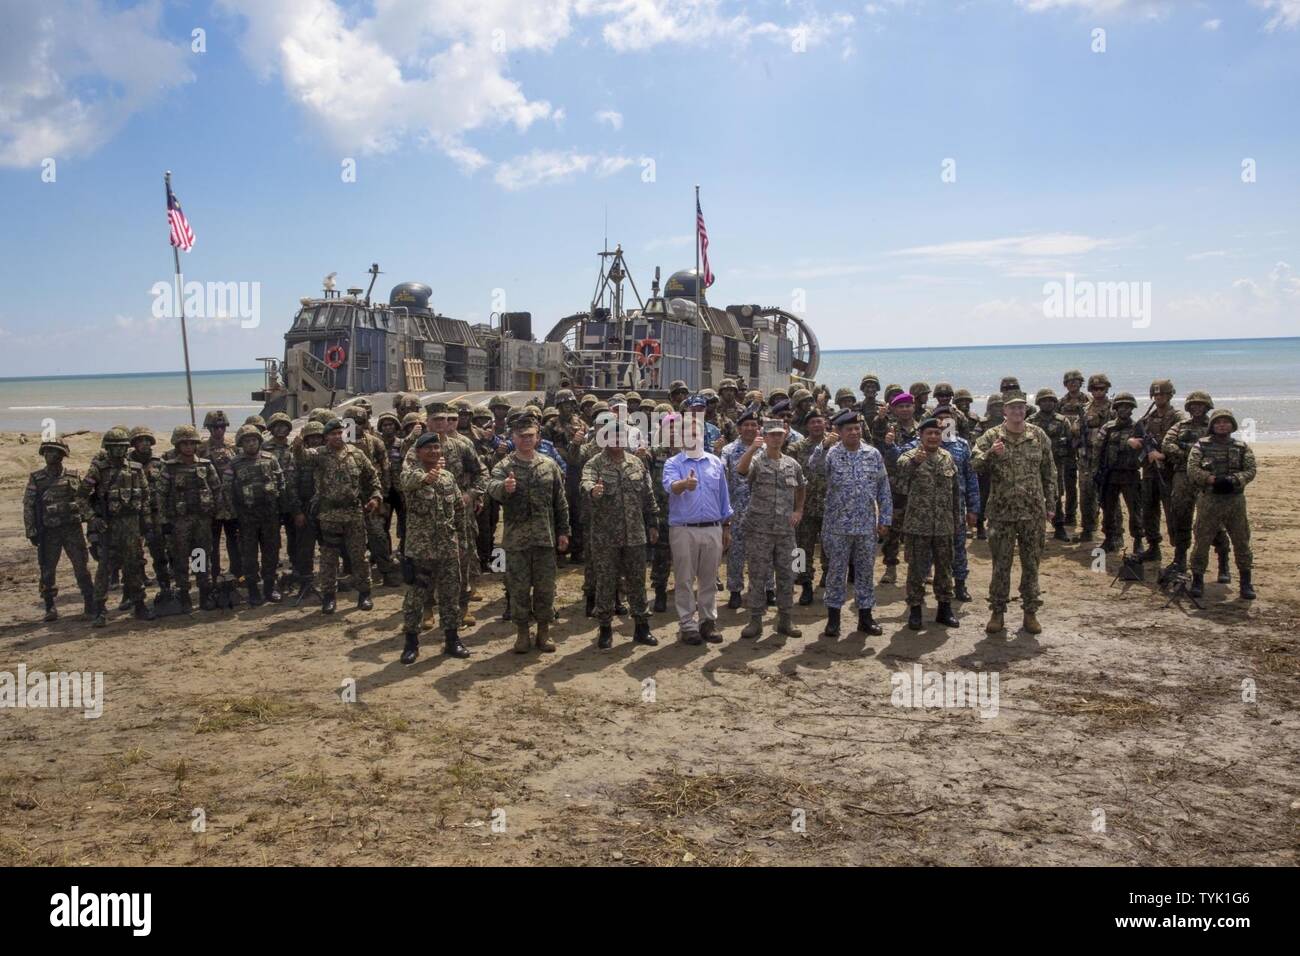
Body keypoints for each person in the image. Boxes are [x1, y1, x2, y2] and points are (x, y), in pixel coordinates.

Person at [971, 390, 1057, 635]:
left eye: (1021, 408)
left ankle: (1030, 613)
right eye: (1012, 408)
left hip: (1032, 513)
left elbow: (1049, 472)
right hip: (1001, 513)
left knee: (1031, 564)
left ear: (1025, 411)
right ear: (1004, 411)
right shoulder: (992, 436)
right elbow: (974, 463)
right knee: (1001, 565)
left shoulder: (1037, 435)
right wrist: (991, 454)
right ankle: (997, 612)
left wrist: (1050, 505)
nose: (1017, 412)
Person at [487, 413, 570, 653]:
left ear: (538, 437)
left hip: (545, 538)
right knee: (518, 589)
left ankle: (544, 632)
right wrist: (505, 487)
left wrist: (564, 531)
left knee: (545, 588)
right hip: (516, 541)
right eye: (521, 436)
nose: (526, 440)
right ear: (513, 438)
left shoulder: (549, 465)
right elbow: (491, 488)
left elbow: (560, 502)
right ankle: (522, 633)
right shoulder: (505, 466)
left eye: (530, 436)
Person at [806, 408, 891, 636]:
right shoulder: (831, 453)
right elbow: (812, 468)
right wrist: (822, 446)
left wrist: (885, 518)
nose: (854, 432)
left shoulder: (872, 454)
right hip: (837, 527)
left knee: (865, 572)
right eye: (849, 429)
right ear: (839, 432)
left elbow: (884, 488)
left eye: (857, 428)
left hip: (865, 526)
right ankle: (833, 620)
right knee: (836, 572)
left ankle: (865, 618)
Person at [581, 418, 659, 649]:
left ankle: (641, 628)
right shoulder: (594, 464)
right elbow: (585, 482)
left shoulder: (637, 463)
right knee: (606, 582)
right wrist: (593, 491)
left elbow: (648, 496)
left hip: (635, 535)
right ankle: (605, 628)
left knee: (637, 581)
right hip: (605, 537)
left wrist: (653, 523)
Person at [662, 410, 733, 644]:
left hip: (713, 527)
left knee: (709, 578)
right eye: (688, 434)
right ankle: (687, 624)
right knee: (684, 579)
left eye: (696, 433)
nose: (693, 437)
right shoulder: (673, 463)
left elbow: (724, 497)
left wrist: (726, 526)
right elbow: (670, 487)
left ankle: (707, 622)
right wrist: (685, 484)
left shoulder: (715, 463)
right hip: (684, 529)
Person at [399, 431, 469, 663]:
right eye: (428, 449)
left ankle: (452, 639)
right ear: (419, 453)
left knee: (450, 595)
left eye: (437, 448)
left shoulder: (448, 477)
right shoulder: (412, 475)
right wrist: (425, 479)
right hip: (421, 549)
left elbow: (459, 510)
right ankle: (411, 643)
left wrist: (462, 541)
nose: (433, 452)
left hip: (447, 547)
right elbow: (407, 483)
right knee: (416, 598)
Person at [736, 418, 805, 640]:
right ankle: (755, 620)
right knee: (758, 575)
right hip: (759, 530)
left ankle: (786, 619)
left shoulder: (792, 464)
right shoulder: (757, 460)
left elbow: (802, 487)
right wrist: (752, 449)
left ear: (784, 436)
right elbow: (741, 470)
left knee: (788, 574)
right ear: (764, 437)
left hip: (785, 531)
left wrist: (799, 510)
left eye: (779, 434)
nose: (776, 438)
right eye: (771, 434)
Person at [309, 418, 382, 614]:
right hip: (329, 515)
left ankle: (365, 594)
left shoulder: (356, 454)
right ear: (326, 437)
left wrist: (375, 497)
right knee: (329, 558)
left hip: (354, 514)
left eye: (340, 432)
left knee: (359, 556)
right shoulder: (319, 455)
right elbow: (300, 457)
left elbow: (372, 477)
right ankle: (329, 597)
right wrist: (298, 446)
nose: (337, 436)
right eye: (332, 434)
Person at [82, 427, 153, 626]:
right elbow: (81, 497)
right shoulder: (98, 470)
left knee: (134, 564)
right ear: (107, 448)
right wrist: (92, 519)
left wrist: (146, 523)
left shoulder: (136, 469)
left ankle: (139, 604)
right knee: (105, 567)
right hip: (109, 525)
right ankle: (100, 609)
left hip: (131, 524)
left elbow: (146, 497)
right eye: (114, 448)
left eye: (122, 447)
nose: (118, 451)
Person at [896, 418, 961, 630]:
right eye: (928, 433)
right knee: (916, 570)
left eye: (936, 433)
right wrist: (915, 462)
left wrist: (957, 521)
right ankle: (915, 610)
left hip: (944, 525)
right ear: (921, 436)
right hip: (918, 525)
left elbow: (955, 492)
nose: (933, 437)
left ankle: (944, 608)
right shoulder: (909, 457)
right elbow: (899, 480)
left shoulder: (947, 457)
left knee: (945, 569)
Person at [1160, 391, 1230, 580]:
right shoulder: (1180, 426)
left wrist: (1193, 453)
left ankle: (1223, 562)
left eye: (1200, 405)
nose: (1196, 408)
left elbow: (1223, 449)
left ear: (1207, 407)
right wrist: (1193, 454)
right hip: (1183, 477)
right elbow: (1167, 445)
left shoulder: (1214, 426)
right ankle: (1180, 559)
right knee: (1180, 517)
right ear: (1188, 408)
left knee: (1212, 522)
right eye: (1193, 405)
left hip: (1208, 479)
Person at [24, 437, 95, 621]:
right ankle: (49, 606)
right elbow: (29, 506)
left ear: (63, 455)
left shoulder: (72, 476)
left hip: (72, 529)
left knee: (81, 567)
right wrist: (31, 530)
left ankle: (89, 601)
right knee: (47, 570)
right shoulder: (37, 479)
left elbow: (82, 500)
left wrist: (91, 521)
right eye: (47, 451)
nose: (50, 455)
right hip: (49, 532)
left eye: (55, 451)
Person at [1187, 409, 1255, 600]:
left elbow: (1251, 469)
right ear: (1212, 426)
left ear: (1232, 425)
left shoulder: (1241, 447)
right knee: (1202, 540)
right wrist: (1210, 479)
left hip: (1235, 500)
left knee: (1241, 540)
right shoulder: (1201, 446)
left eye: (1226, 422)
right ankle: (1198, 580)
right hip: (1210, 500)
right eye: (1218, 422)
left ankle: (1245, 582)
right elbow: (1192, 469)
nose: (1222, 425)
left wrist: (1235, 479)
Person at [158, 425, 222, 614]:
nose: (188, 447)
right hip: (179, 521)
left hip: (202, 520)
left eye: (191, 444)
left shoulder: (205, 465)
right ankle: (184, 595)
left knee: (200, 556)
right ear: (177, 445)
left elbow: (217, 490)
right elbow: (160, 495)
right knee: (180, 559)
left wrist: (217, 514)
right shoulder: (169, 468)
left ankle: (204, 593)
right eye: (184, 444)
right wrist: (163, 521)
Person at [225, 424, 289, 605]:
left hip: (269, 515)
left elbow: (281, 484)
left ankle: (269, 588)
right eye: (247, 441)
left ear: (259, 441)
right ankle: (253, 589)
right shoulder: (235, 464)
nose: (251, 444)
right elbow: (227, 490)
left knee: (271, 552)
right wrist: (233, 515)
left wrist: (283, 510)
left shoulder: (271, 459)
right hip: (247, 517)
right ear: (241, 444)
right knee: (249, 555)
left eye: (254, 440)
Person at [1133, 379, 1182, 564]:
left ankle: (1179, 553)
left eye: (1162, 394)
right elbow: (1137, 436)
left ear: (1170, 395)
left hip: (1169, 472)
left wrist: (1163, 454)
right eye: (1156, 395)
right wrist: (1135, 442)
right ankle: (1153, 547)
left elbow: (1184, 444)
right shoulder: (1147, 419)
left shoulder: (1178, 418)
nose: (1159, 397)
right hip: (1150, 472)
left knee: (1172, 512)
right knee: (1149, 511)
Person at [126, 425, 173, 607]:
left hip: (155, 516)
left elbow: (165, 489)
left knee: (160, 553)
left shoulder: (159, 462)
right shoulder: (126, 463)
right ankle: (132, 594)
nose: (144, 444)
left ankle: (165, 588)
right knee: (133, 557)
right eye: (140, 441)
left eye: (147, 440)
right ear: (134, 444)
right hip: (134, 516)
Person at [720, 405, 761, 608]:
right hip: (736, 510)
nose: (750, 428)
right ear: (739, 428)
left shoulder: (767, 448)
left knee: (761, 553)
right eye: (746, 425)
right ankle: (735, 590)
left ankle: (764, 588)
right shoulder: (728, 451)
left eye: (754, 425)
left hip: (761, 511)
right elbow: (722, 480)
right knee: (736, 552)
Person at [1095, 392, 1146, 555]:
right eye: (1121, 406)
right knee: (1108, 509)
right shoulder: (1108, 427)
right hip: (1110, 474)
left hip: (1130, 474)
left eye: (1127, 407)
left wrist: (1136, 450)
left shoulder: (1138, 427)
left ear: (1132, 409)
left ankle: (1138, 541)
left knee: (1135, 510)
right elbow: (1098, 449)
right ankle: (1110, 538)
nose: (1124, 409)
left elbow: (1145, 450)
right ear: (1116, 409)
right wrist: (1098, 471)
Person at [878, 391, 919, 583]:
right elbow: (879, 442)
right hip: (895, 487)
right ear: (894, 409)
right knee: (893, 529)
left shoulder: (923, 429)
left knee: (917, 530)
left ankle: (920, 568)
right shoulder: (889, 429)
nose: (905, 409)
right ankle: (890, 567)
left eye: (908, 406)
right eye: (900, 406)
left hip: (918, 486)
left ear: (914, 407)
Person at [789, 407, 829, 604]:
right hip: (804, 506)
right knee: (801, 549)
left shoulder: (837, 444)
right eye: (812, 422)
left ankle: (828, 578)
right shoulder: (798, 447)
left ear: (826, 423)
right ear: (807, 426)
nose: (816, 425)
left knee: (830, 547)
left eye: (819, 421)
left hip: (830, 507)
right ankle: (804, 584)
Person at [199, 410, 241, 585]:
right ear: (209, 428)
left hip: (230, 504)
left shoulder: (233, 448)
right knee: (205, 545)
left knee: (235, 541)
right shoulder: (199, 449)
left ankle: (238, 574)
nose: (219, 430)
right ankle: (205, 579)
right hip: (208, 505)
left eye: (222, 426)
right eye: (215, 427)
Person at [1029, 389, 1074, 541]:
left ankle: (1059, 526)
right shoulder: (1031, 421)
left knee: (1055, 494)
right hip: (1035, 464)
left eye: (1050, 400)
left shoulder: (1062, 421)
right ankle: (1035, 528)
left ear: (1055, 402)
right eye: (1043, 400)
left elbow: (1070, 443)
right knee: (1034, 495)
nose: (1047, 403)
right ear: (1038, 403)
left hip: (1057, 464)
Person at [1075, 373, 1112, 542]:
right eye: (1094, 389)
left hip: (1105, 460)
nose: (1098, 392)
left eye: (1101, 389)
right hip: (1086, 459)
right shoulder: (1084, 409)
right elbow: (1076, 428)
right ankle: (1087, 529)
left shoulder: (1113, 408)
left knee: (1107, 496)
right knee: (1085, 495)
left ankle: (1113, 533)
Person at [1057, 370, 1088, 526]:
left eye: (1075, 381)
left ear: (1081, 383)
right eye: (1069, 382)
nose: (1072, 384)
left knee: (1086, 483)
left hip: (1084, 447)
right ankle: (1070, 514)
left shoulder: (1088, 400)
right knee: (1069, 483)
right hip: (1068, 448)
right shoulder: (1061, 402)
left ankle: (1089, 517)